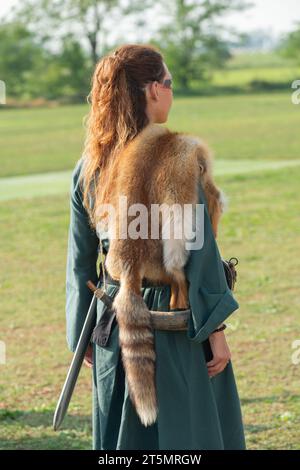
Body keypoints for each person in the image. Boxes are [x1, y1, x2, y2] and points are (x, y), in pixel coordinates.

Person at [65, 44, 246, 450]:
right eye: (169, 82)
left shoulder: (90, 166)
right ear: (151, 91)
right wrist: (216, 329)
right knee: (189, 438)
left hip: (111, 328)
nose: (171, 91)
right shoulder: (177, 158)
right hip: (174, 328)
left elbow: (80, 263)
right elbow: (198, 255)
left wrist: (81, 333)